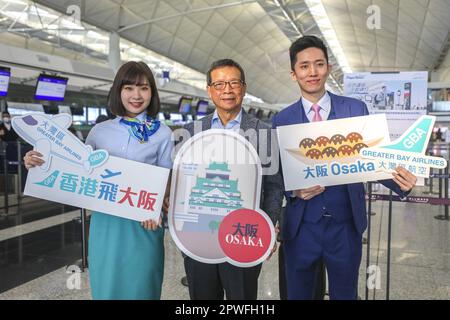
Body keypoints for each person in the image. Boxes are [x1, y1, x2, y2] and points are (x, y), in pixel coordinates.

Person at [272, 36, 417, 300]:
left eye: (319, 64)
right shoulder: (282, 119)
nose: (312, 72)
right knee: (299, 294)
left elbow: (371, 157)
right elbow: (275, 174)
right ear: (294, 74)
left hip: (345, 226)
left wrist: (400, 181)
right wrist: (294, 191)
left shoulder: (354, 109)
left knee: (345, 294)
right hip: (301, 226)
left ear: (329, 68)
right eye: (304, 66)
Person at [23, 61, 173, 300]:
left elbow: (166, 176)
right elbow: (76, 167)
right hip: (106, 222)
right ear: (118, 91)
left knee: (142, 287)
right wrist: (39, 160)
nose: (136, 95)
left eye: (144, 88)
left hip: (144, 223)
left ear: (152, 93)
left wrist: (157, 206)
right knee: (107, 287)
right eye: (129, 88)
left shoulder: (162, 133)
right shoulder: (99, 132)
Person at [178, 59, 283, 300]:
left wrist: (265, 230)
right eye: (220, 84)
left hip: (244, 236)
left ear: (244, 88)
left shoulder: (263, 132)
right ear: (209, 90)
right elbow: (182, 183)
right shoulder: (192, 131)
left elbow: (274, 187)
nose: (227, 89)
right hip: (198, 238)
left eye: (234, 83)